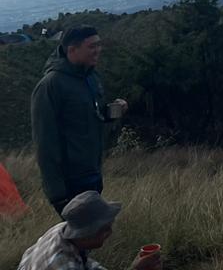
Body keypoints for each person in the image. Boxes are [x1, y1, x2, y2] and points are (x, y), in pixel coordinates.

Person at [30, 26, 126, 213]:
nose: (98, 50)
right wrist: (58, 195)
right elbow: (44, 144)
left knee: (96, 232)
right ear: (72, 50)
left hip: (92, 171)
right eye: (92, 46)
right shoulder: (50, 86)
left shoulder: (90, 76)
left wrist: (112, 111)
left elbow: (90, 114)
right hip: (71, 182)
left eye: (99, 45)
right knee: (83, 237)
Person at [18, 191, 160, 270]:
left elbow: (87, 263)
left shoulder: (63, 230)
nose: (110, 233)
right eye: (104, 229)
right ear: (86, 234)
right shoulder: (64, 265)